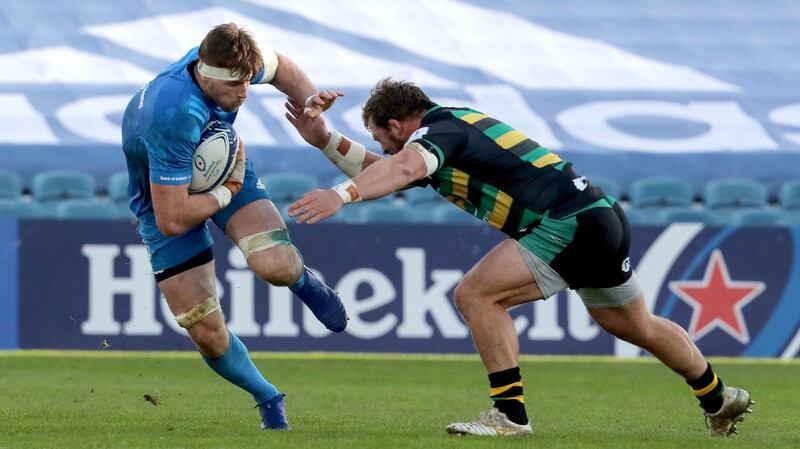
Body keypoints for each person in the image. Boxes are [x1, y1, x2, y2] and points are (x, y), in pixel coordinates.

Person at [284, 78, 754, 437]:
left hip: (563, 222)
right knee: (634, 324)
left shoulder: (437, 133)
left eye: (381, 137)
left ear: (398, 123)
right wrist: (323, 138)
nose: (384, 148)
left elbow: (400, 167)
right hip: (599, 215)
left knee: (476, 296)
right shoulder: (451, 131)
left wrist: (340, 196)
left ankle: (509, 414)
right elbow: (390, 170)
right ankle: (718, 397)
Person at [121, 23, 348, 431]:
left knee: (274, 265)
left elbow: (283, 70)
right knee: (205, 328)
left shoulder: (229, 59)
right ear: (205, 74)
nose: (244, 95)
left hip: (223, 170)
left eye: (247, 83)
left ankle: (305, 283)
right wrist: (226, 192)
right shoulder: (172, 115)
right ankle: (267, 396)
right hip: (167, 203)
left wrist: (309, 97)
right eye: (235, 88)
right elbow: (173, 218)